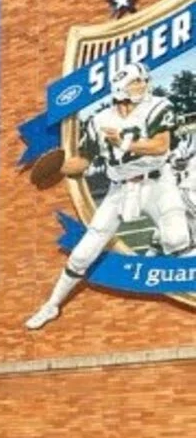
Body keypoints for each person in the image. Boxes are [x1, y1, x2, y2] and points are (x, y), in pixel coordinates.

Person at [26, 63, 192, 329]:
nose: (142, 85)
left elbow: (161, 146)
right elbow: (84, 160)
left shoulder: (159, 105)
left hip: (157, 182)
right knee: (82, 253)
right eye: (136, 82)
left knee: (178, 239)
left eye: (142, 81)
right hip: (120, 189)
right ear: (120, 86)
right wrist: (63, 167)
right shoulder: (100, 121)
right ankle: (52, 305)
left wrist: (124, 143)